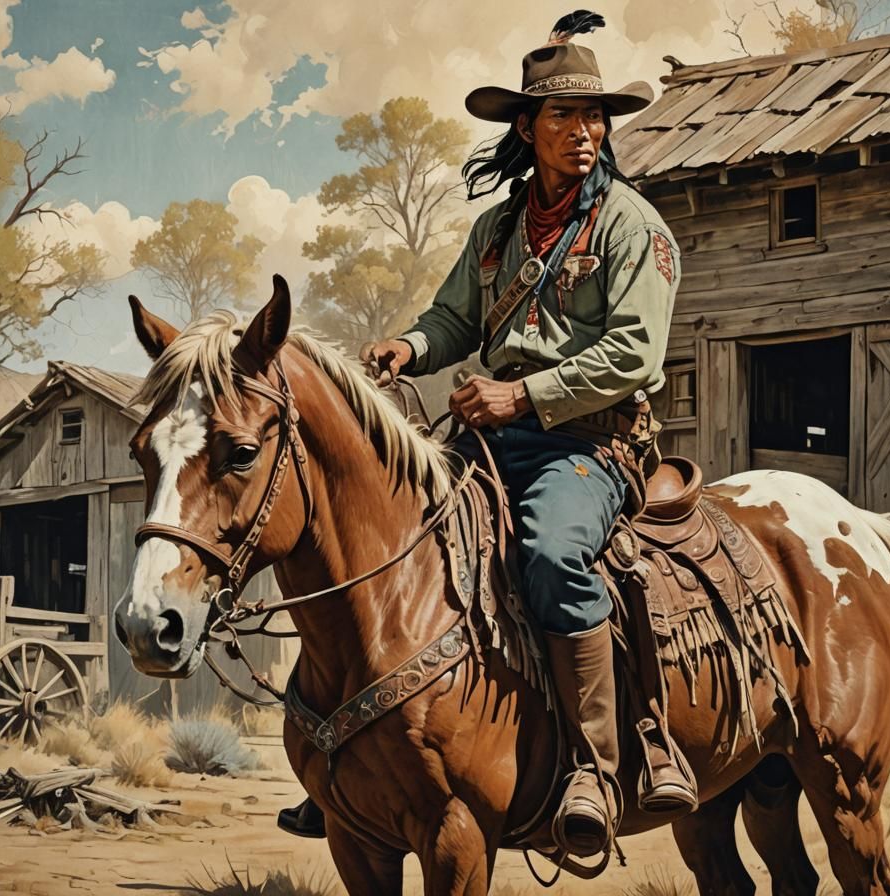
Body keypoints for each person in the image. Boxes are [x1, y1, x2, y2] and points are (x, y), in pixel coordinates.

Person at [280, 11, 695, 857]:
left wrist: (523, 396)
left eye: (594, 116)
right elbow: (453, 319)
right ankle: (350, 761)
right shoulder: (498, 231)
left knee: (550, 553)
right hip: (496, 443)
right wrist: (409, 346)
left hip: (590, 446)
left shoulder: (633, 227)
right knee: (384, 536)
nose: (584, 133)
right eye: (564, 116)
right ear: (527, 127)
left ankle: (594, 764)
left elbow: (635, 354)